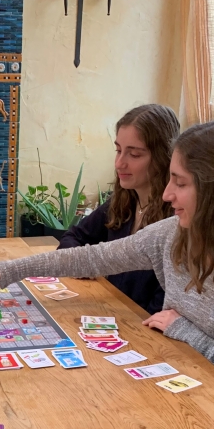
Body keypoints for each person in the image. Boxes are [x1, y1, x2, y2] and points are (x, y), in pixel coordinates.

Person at [0, 120, 214, 382]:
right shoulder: (174, 233)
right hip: (175, 377)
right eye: (170, 179)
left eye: (181, 183)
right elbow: (92, 256)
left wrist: (184, 330)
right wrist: (3, 271)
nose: (167, 194)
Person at [57, 104, 179, 314]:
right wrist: (85, 264)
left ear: (163, 158)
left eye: (134, 155)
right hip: (106, 316)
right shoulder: (122, 201)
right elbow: (72, 238)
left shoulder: (176, 220)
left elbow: (160, 309)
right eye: (118, 150)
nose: (119, 163)